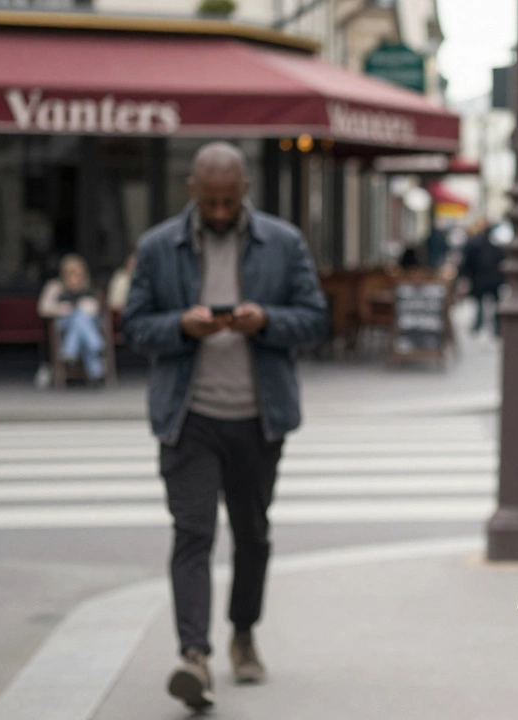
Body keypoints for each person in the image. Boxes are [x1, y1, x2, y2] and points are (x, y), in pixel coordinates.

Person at [122, 142, 329, 710]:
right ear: (193, 190)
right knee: (192, 534)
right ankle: (194, 656)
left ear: (244, 192)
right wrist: (180, 328)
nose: (217, 212)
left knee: (252, 534)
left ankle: (242, 633)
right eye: (208, 201)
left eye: (227, 201)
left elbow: (315, 318)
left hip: (258, 419)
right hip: (187, 418)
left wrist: (266, 321)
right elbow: (134, 326)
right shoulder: (158, 246)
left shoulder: (282, 242)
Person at [38, 253, 106, 382]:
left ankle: (70, 351)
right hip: (64, 326)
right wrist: (60, 309)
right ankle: (96, 360)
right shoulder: (54, 287)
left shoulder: (88, 287)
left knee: (80, 318)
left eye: (78, 273)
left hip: (84, 326)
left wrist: (87, 307)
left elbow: (97, 308)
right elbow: (43, 308)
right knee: (79, 320)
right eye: (71, 273)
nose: (75, 277)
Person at [458, 219, 505, 336]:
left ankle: (479, 326)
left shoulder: (474, 242)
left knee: (480, 303)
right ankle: (495, 328)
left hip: (480, 278)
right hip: (493, 278)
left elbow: (467, 262)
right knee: (493, 303)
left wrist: (463, 275)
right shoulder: (496, 242)